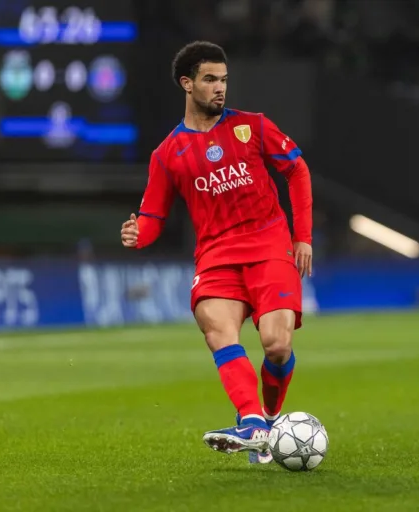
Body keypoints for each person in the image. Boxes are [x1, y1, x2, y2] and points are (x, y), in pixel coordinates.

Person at [120, 41, 313, 463]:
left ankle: (269, 416)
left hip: (269, 246)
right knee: (219, 333)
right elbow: (153, 216)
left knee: (277, 345)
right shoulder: (167, 154)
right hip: (216, 257)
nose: (220, 88)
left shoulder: (252, 126)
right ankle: (253, 425)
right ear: (187, 84)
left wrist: (303, 237)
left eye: (224, 79)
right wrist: (138, 233)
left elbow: (297, 169)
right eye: (210, 79)